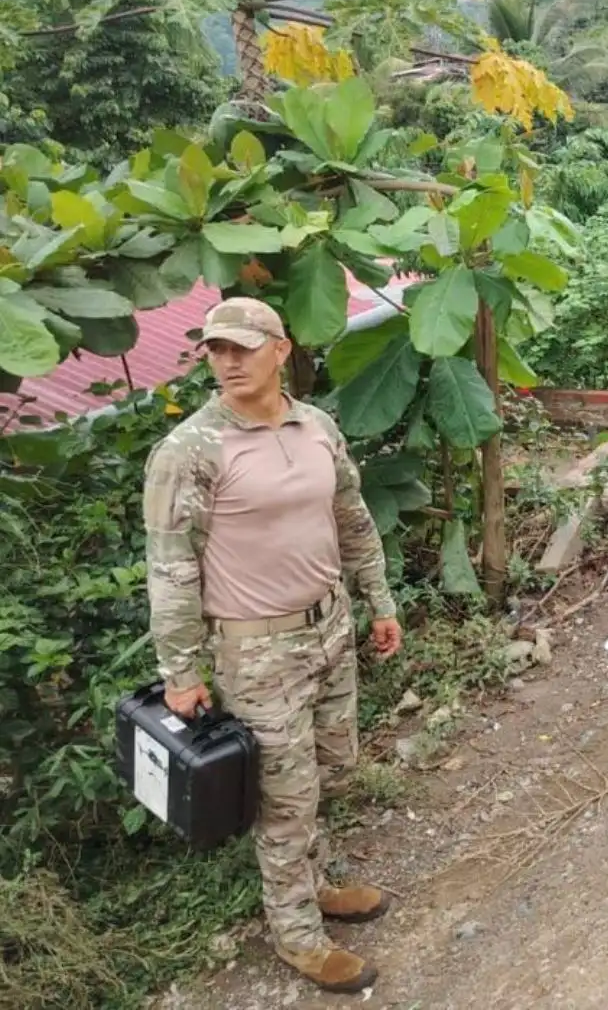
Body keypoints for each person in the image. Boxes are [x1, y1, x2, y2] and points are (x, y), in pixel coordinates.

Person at [146, 298, 404, 995]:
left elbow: (351, 516)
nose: (226, 361)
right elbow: (171, 567)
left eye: (242, 348)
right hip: (255, 650)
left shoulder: (316, 426)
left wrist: (378, 600)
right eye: (215, 349)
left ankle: (318, 885)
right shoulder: (191, 450)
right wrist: (180, 671)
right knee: (285, 799)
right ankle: (297, 936)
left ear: (280, 349)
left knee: (334, 769)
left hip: (330, 628)